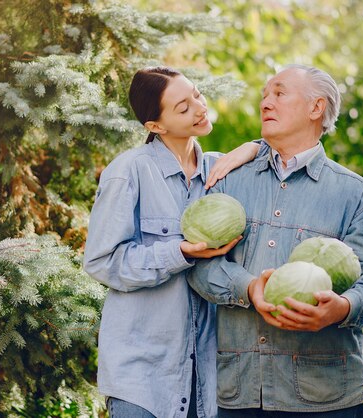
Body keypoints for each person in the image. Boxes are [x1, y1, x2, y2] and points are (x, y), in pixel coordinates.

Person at [187, 64, 363, 417]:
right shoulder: (227, 180)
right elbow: (199, 264)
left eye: (280, 93)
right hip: (239, 393)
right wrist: (248, 287)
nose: (266, 103)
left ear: (316, 108)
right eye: (264, 95)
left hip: (326, 398)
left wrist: (341, 309)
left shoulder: (356, 196)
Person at [83, 66, 262, 418]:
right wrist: (178, 252)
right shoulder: (128, 172)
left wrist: (253, 148)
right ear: (155, 126)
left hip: (208, 375)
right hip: (143, 377)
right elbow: (102, 261)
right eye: (183, 108)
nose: (199, 107)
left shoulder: (220, 171)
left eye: (196, 94)